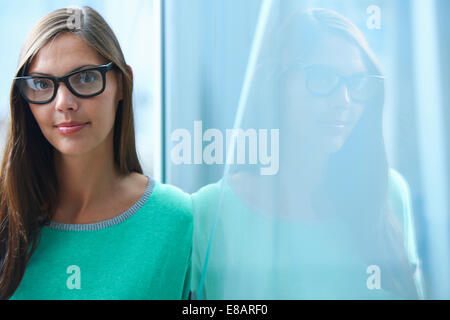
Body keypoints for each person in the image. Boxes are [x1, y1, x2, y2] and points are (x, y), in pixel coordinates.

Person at [191, 8, 424, 299]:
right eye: (323, 78)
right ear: (275, 84)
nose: (344, 101)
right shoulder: (211, 213)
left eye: (357, 82)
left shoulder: (387, 193)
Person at [0, 6, 192, 300]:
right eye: (41, 84)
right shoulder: (6, 219)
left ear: (122, 84)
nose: (64, 103)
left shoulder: (177, 220)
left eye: (85, 78)